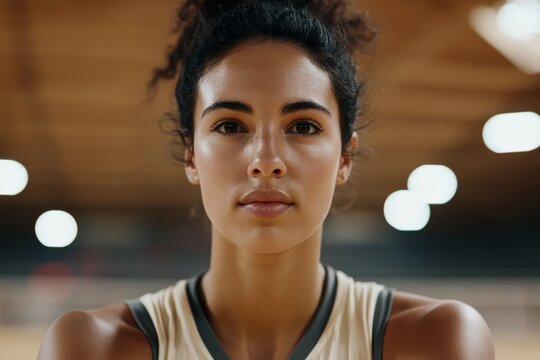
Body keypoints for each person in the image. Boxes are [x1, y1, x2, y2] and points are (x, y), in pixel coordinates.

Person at [38, 0, 495, 359]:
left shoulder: (437, 341)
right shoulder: (93, 348)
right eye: (231, 125)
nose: (266, 161)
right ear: (191, 155)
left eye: (303, 126)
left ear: (345, 157)